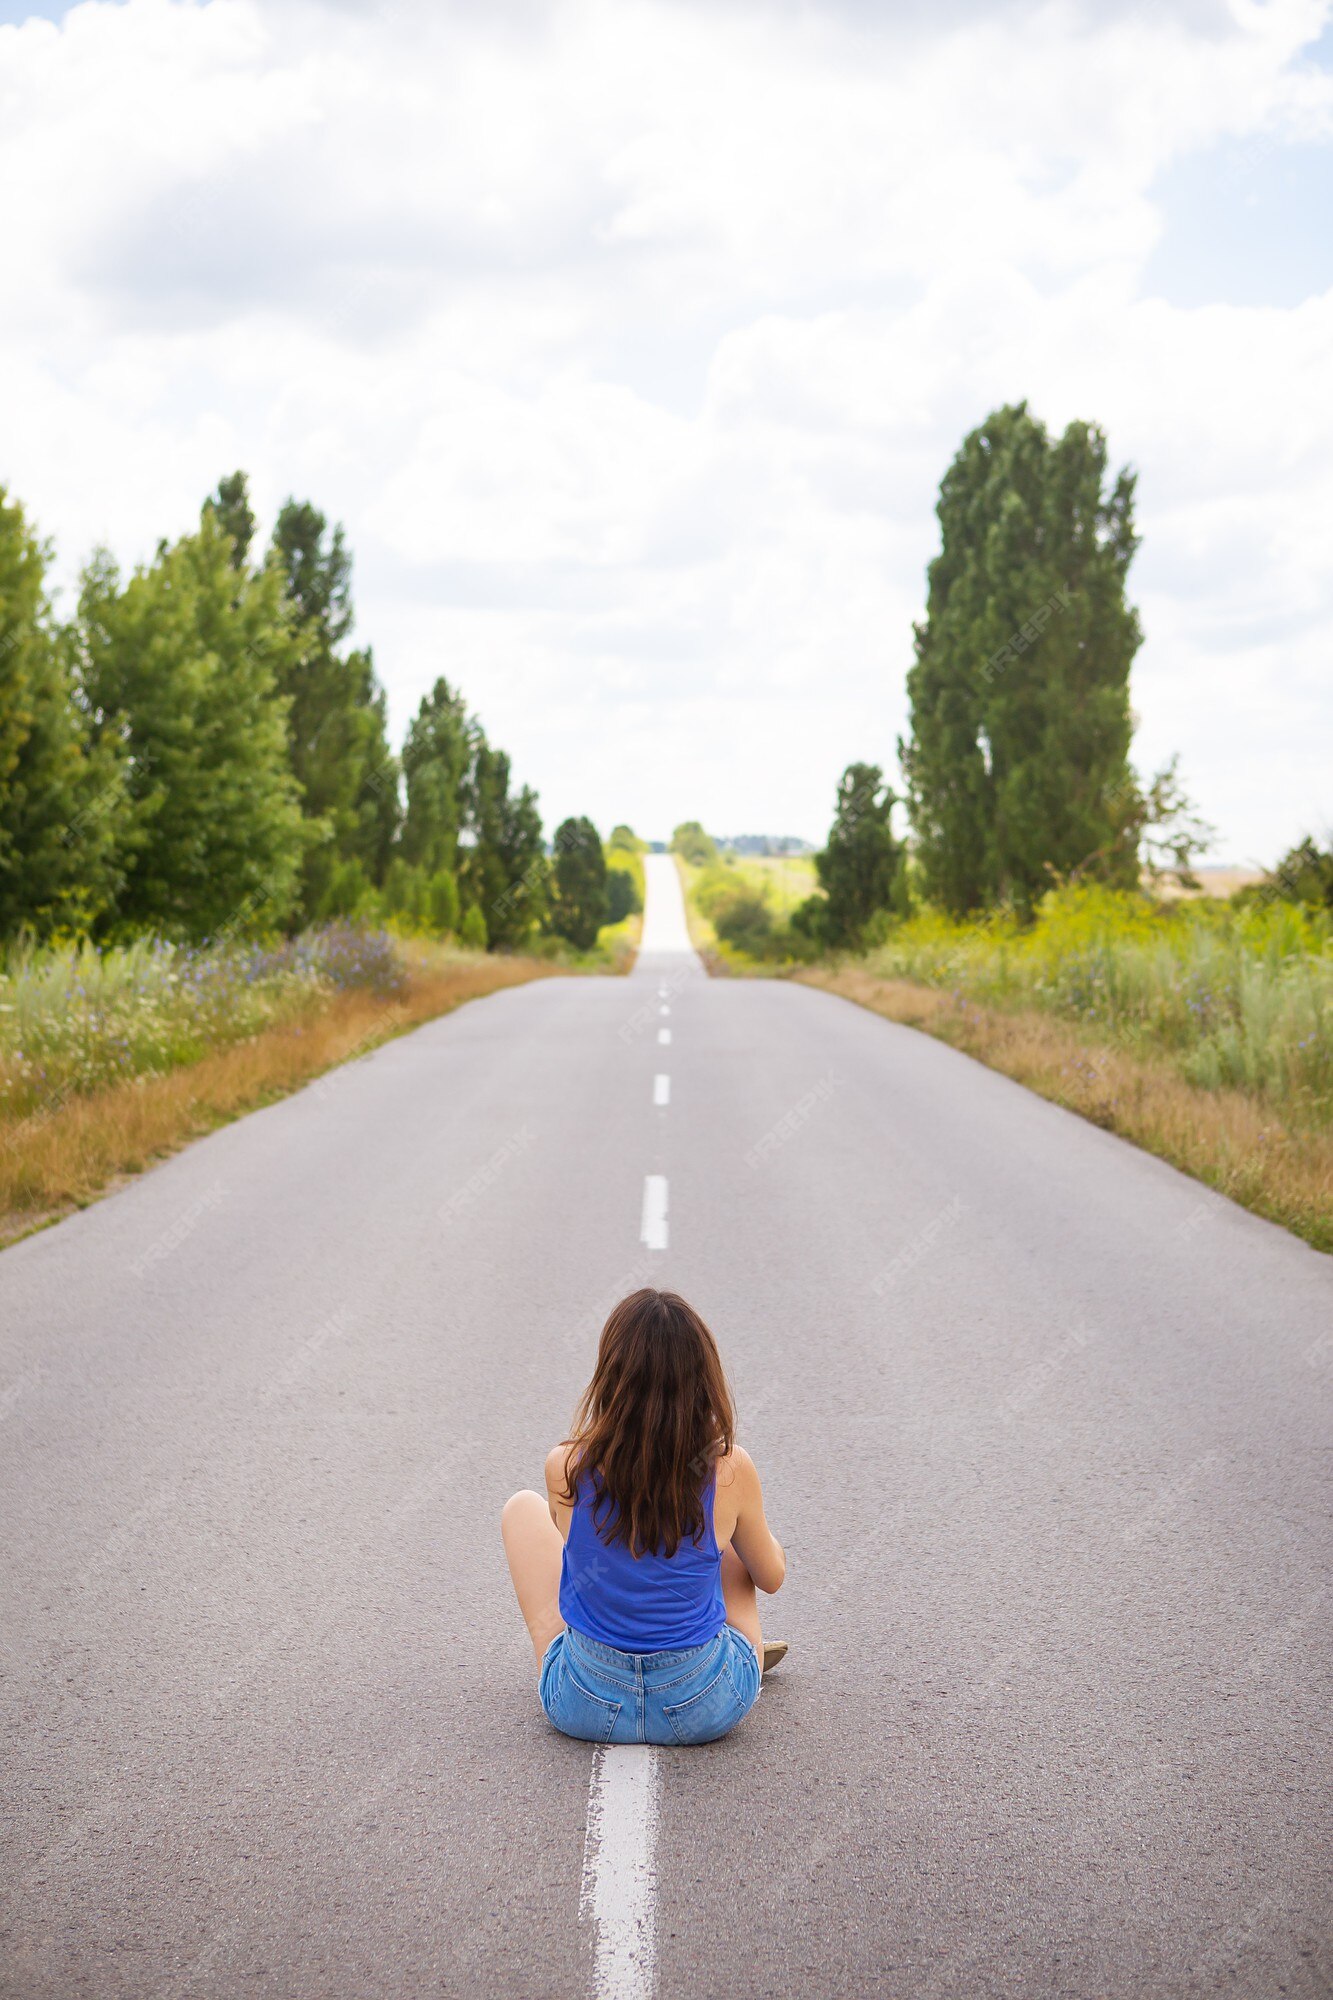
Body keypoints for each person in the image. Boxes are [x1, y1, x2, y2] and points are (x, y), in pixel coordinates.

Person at [501, 1287, 788, 1746]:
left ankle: (561, 1662)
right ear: (704, 1380)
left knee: (522, 1508)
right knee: (733, 1549)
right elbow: (771, 1577)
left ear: (610, 1378)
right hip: (704, 1704)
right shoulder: (728, 1468)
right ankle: (741, 1653)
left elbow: (578, 1561)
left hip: (584, 1706)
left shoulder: (567, 1465)